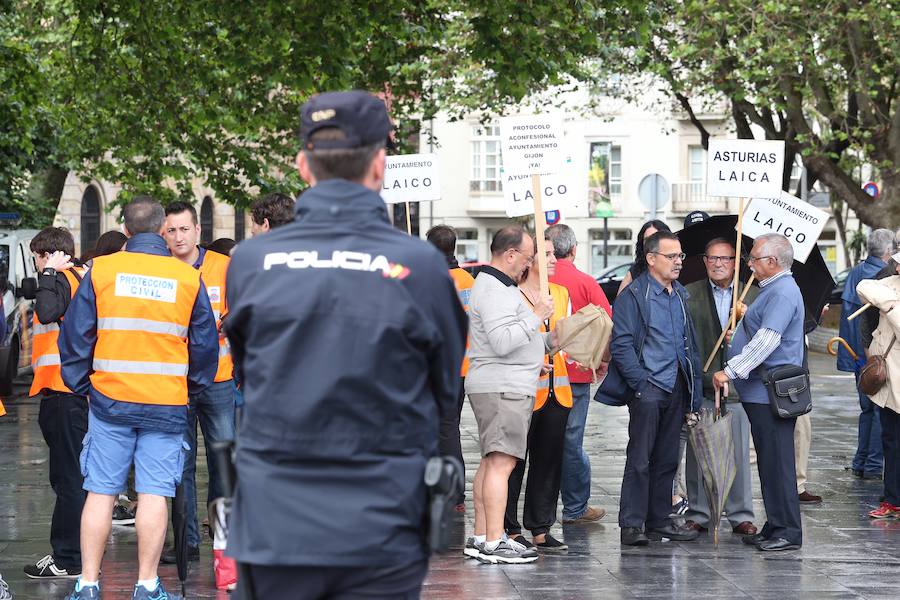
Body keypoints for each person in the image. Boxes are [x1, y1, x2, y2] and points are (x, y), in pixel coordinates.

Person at [224, 90, 466, 599]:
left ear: (302, 166)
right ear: (379, 165)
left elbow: (248, 370)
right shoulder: (419, 266)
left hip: (276, 520)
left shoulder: (251, 261)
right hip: (380, 522)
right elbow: (446, 387)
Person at [59, 196, 219, 600]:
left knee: (100, 492)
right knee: (154, 494)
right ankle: (147, 584)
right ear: (163, 229)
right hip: (165, 404)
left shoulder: (102, 271)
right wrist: (192, 387)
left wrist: (84, 385)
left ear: (126, 230)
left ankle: (89, 583)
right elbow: (204, 345)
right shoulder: (186, 278)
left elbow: (76, 337)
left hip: (110, 400)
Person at [596, 231, 704, 546]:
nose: (679, 262)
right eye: (672, 256)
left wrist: (693, 391)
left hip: (677, 386)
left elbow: (690, 345)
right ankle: (631, 525)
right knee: (640, 459)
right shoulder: (634, 295)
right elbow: (623, 344)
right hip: (649, 388)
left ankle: (659, 521)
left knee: (668, 459)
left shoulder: (681, 295)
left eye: (680, 256)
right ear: (651, 258)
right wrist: (641, 383)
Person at [465, 225, 554, 564]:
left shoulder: (497, 286)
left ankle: (482, 536)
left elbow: (507, 338)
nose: (528, 266)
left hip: (500, 382)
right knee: (502, 462)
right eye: (528, 258)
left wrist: (539, 352)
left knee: (491, 462)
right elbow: (502, 342)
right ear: (511, 254)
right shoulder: (493, 288)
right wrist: (537, 316)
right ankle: (492, 541)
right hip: (502, 386)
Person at [713, 233, 806, 552]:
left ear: (772, 261)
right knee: (769, 462)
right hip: (761, 392)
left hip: (771, 393)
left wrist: (731, 370)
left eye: (753, 258)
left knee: (778, 463)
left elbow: (768, 341)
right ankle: (776, 524)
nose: (748, 263)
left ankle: (788, 531)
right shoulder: (772, 290)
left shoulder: (782, 291)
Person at [161, 201, 236, 564]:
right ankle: (187, 543)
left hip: (219, 381)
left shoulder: (223, 267)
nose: (178, 236)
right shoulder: (159, 270)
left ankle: (221, 538)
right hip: (175, 382)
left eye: (184, 229)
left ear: (197, 231)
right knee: (181, 465)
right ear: (163, 234)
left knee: (223, 462)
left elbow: (247, 305)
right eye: (171, 230)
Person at [20, 228, 89, 580]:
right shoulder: (81, 277)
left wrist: (48, 274)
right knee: (73, 477)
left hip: (64, 393)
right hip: (72, 393)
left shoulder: (60, 278)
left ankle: (68, 558)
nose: (35, 265)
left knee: (68, 479)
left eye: (36, 258)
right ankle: (73, 554)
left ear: (47, 255)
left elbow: (47, 313)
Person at [682, 238, 757, 536]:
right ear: (704, 261)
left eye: (725, 259)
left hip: (739, 385)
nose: (718, 264)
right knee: (698, 451)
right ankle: (699, 512)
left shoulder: (752, 293)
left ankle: (740, 514)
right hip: (702, 384)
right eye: (712, 258)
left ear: (735, 262)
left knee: (737, 452)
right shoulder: (690, 294)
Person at [504, 235, 572, 552]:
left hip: (558, 392)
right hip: (523, 391)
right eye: (546, 254)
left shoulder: (560, 293)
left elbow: (565, 340)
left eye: (554, 253)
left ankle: (541, 527)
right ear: (529, 261)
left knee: (548, 461)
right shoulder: (511, 295)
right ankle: (508, 527)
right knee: (513, 461)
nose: (554, 258)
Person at [545, 223, 611, 524]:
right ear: (573, 249)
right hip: (575, 373)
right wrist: (601, 361)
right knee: (571, 441)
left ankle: (540, 511)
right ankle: (574, 507)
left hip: (540, 371)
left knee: (540, 441)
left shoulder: (535, 278)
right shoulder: (585, 282)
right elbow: (608, 326)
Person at [839, 228, 894, 480]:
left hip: (858, 354)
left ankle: (861, 461)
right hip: (873, 355)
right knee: (878, 411)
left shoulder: (857, 272)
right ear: (888, 252)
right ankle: (872, 465)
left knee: (867, 410)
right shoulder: (882, 278)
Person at [426, 224, 474, 508]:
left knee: (439, 429)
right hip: (464, 366)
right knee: (449, 426)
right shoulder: (469, 281)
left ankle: (448, 492)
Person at [859, 255, 900, 518]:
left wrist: (888, 304)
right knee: (891, 440)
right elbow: (863, 286)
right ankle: (892, 498)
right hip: (888, 380)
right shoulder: (891, 283)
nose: (897, 267)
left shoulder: (890, 292)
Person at [616, 219, 671, 294]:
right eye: (647, 239)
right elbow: (620, 302)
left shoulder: (676, 267)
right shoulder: (635, 271)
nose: (651, 243)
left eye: (656, 238)